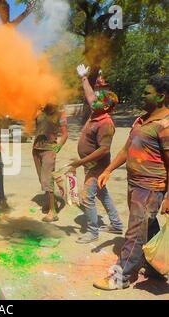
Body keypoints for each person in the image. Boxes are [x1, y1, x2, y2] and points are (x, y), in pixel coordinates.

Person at [94, 75, 169, 290]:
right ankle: (156, 267)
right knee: (148, 226)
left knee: (135, 232)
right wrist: (108, 169)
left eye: (147, 92)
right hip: (134, 185)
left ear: (161, 96)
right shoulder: (141, 120)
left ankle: (122, 276)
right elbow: (126, 150)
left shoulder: (165, 125)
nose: (142, 95)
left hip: (151, 188)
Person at [69, 64, 123, 243]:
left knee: (87, 197)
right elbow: (90, 95)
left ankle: (92, 232)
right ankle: (116, 224)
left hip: (97, 167)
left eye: (99, 98)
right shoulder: (96, 112)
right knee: (102, 193)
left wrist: (80, 161)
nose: (95, 98)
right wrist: (84, 77)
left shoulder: (105, 123)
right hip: (90, 165)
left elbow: (104, 149)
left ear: (106, 107)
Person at [32, 103, 68, 222]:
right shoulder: (39, 112)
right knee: (42, 179)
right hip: (36, 150)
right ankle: (50, 202)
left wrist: (58, 147)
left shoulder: (59, 113)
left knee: (48, 180)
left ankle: (53, 212)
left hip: (49, 150)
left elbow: (65, 135)